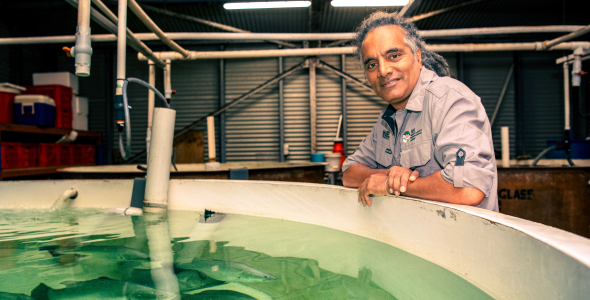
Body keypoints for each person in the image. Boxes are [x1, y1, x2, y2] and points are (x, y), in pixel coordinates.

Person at [342, 12, 498, 212]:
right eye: (372, 64)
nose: (382, 70)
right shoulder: (389, 119)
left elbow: (469, 189)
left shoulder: (449, 99)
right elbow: (349, 173)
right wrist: (392, 175)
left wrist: (391, 185)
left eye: (394, 56)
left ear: (417, 55)